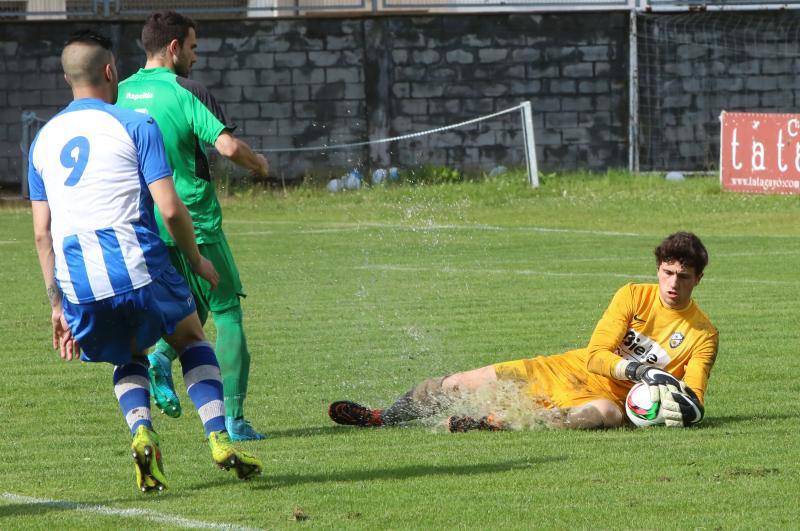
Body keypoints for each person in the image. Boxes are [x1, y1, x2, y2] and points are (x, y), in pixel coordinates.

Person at [29, 29, 262, 492]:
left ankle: (141, 432)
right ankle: (219, 436)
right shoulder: (135, 124)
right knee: (192, 334)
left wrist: (57, 306)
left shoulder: (42, 140)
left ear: (65, 77)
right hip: (135, 263)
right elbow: (171, 209)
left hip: (78, 282)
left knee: (127, 352)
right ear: (111, 72)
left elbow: (41, 233)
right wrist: (196, 261)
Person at [329, 232, 718, 431]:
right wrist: (638, 371)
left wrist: (663, 407)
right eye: (667, 273)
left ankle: (493, 423)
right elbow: (598, 354)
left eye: (683, 277)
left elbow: (694, 399)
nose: (672, 284)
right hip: (567, 368)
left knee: (598, 415)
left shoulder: (703, 334)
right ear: (657, 270)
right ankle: (382, 416)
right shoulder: (632, 295)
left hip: (614, 401)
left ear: (698, 280)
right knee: (461, 383)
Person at [116, 11, 270, 441]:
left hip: (143, 225)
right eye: (193, 48)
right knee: (227, 312)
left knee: (191, 307)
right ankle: (235, 420)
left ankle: (161, 357)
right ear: (173, 48)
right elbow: (227, 145)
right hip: (194, 222)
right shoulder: (186, 91)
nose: (196, 57)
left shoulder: (120, 93)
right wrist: (258, 163)